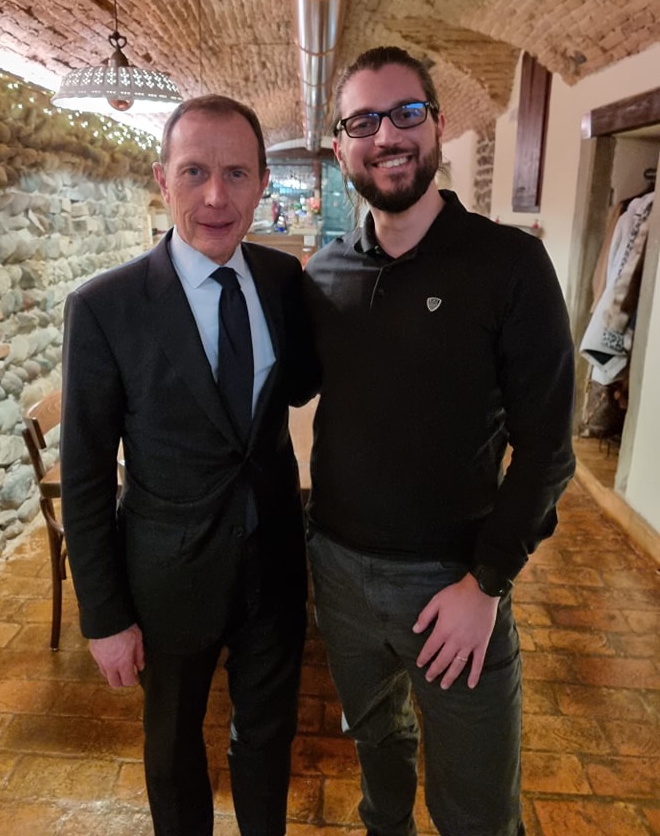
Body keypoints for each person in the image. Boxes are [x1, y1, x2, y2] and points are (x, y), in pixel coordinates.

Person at [303, 46, 576, 836]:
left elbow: (548, 448)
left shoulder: (509, 263)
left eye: (406, 113)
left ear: (438, 126)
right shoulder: (323, 274)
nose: (388, 135)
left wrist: (486, 584)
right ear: (340, 148)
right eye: (363, 122)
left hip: (452, 581)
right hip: (339, 571)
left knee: (477, 808)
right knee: (378, 751)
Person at [60, 95, 315, 836]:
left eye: (236, 174)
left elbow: (300, 384)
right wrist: (105, 616)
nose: (215, 198)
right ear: (162, 178)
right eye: (195, 171)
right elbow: (84, 472)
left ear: (262, 182)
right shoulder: (105, 306)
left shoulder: (283, 280)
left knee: (267, 740)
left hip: (274, 566)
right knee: (173, 751)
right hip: (167, 578)